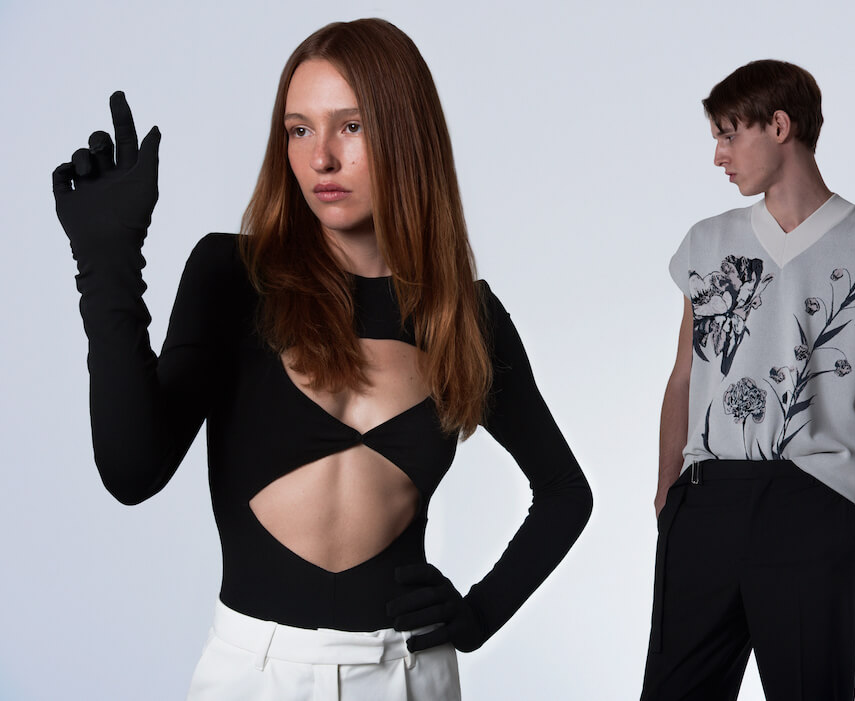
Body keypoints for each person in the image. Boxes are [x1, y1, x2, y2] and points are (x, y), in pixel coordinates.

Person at [52, 19, 591, 700]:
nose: (321, 158)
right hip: (255, 673)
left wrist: (479, 615)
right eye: (299, 129)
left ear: (405, 134)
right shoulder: (232, 276)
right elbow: (132, 472)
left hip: (407, 675)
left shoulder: (464, 314)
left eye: (351, 126)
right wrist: (107, 264)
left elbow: (566, 492)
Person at [640, 60, 855, 700]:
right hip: (704, 503)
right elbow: (684, 375)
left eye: (729, 135)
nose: (719, 155)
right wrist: (668, 492)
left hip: (812, 507)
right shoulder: (707, 243)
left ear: (778, 127)